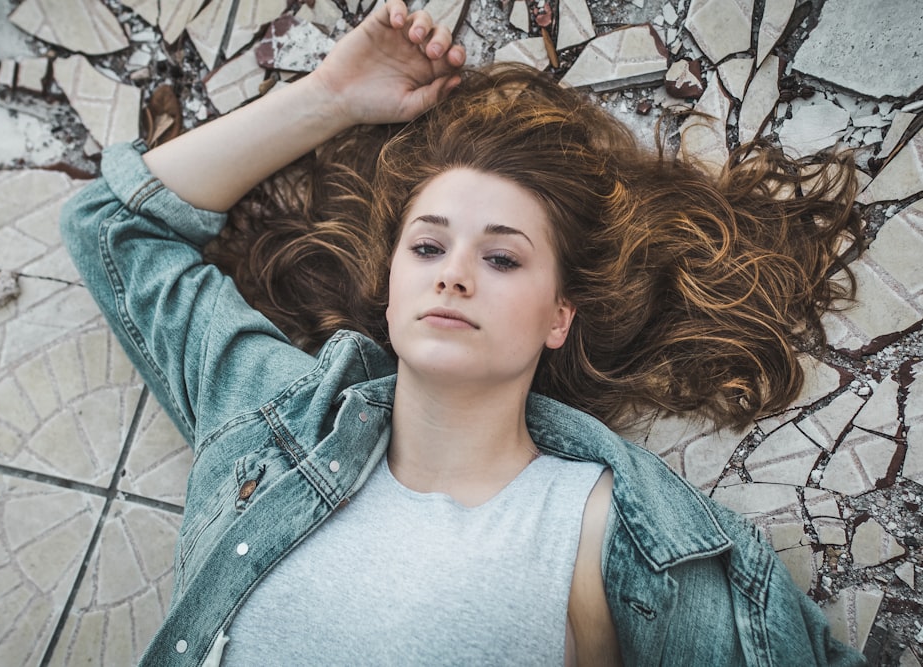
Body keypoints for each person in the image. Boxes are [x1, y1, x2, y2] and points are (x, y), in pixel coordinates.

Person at [60, 0, 866, 664]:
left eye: (504, 258)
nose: (454, 274)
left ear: (560, 317)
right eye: (429, 245)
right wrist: (331, 95)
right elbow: (111, 229)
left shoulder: (605, 529)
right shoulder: (274, 415)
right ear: (392, 288)